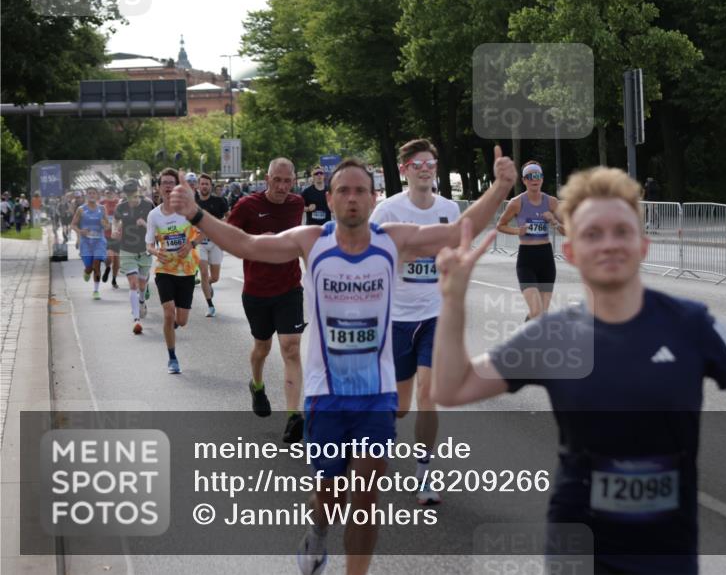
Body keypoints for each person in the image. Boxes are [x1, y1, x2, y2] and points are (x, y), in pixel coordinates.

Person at [431, 166, 726, 574]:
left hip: (668, 549)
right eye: (593, 234)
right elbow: (452, 389)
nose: (609, 245)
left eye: (622, 231)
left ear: (643, 245)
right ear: (571, 252)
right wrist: (453, 300)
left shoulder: (691, 324)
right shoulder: (553, 336)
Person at [168, 147, 516, 575]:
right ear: (329, 200)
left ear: (373, 200)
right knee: (330, 497)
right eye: (343, 191)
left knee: (367, 499)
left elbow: (461, 229)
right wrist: (196, 214)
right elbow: (247, 245)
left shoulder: (394, 240)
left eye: (360, 191)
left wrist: (501, 186)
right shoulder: (311, 242)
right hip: (325, 396)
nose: (352, 198)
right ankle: (318, 530)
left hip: (376, 396)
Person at [370, 139, 459, 506]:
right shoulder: (387, 210)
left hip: (435, 313)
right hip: (397, 318)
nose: (425, 168)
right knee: (402, 405)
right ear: (405, 169)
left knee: (429, 394)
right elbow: (367, 252)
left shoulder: (450, 209)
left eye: (431, 162)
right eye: (418, 163)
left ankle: (425, 477)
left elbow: (456, 253)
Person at [227, 158, 307, 443]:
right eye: (277, 180)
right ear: (267, 179)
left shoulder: (297, 204)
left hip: (289, 287)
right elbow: (230, 239)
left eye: (288, 181)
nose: (283, 187)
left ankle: (293, 416)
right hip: (257, 290)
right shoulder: (247, 205)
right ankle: (257, 385)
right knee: (262, 347)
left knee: (291, 347)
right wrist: (259, 239)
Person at [145, 168, 200, 374]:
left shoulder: (188, 209)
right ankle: (172, 357)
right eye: (164, 183)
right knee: (168, 314)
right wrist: (155, 252)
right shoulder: (154, 215)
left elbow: (202, 232)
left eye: (171, 182)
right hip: (164, 269)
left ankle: (172, 328)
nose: (168, 186)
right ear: (158, 188)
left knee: (181, 320)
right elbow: (149, 244)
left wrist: (191, 244)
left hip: (186, 270)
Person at [496, 161, 565, 320]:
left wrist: (554, 222)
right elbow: (500, 225)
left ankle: (529, 340)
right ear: (524, 180)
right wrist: (517, 231)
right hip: (526, 259)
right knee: (536, 310)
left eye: (538, 175)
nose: (535, 179)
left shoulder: (552, 202)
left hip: (546, 258)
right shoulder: (516, 203)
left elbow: (568, 230)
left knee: (542, 315)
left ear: (541, 179)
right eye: (530, 176)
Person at [115, 180, 154, 335]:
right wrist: (115, 229)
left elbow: (156, 226)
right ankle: (136, 319)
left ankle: (142, 301)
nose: (133, 197)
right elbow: (115, 220)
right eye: (129, 194)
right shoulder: (121, 207)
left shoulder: (148, 205)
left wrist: (144, 224)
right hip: (127, 250)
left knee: (142, 285)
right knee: (133, 284)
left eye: (135, 193)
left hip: (145, 249)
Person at [195, 173, 230, 317]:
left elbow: (229, 217)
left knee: (214, 277)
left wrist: (217, 225)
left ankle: (208, 284)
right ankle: (210, 306)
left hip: (216, 242)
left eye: (207, 184)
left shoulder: (220, 201)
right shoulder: (193, 203)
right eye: (202, 184)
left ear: (211, 186)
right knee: (203, 273)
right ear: (198, 186)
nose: (204, 186)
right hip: (199, 242)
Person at [70, 187, 110, 299]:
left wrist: (105, 224)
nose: (92, 195)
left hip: (99, 241)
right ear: (86, 196)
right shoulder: (81, 209)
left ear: (97, 195)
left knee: (96, 264)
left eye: (94, 193)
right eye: (89, 193)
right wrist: (80, 231)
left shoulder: (102, 209)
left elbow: (108, 226)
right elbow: (72, 225)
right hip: (86, 242)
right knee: (89, 267)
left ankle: (96, 291)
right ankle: (87, 272)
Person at [100, 187, 121, 288]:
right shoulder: (102, 206)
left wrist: (118, 227)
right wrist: (105, 224)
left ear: (115, 194)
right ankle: (107, 267)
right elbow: (100, 219)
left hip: (118, 236)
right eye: (107, 193)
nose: (109, 195)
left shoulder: (120, 205)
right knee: (109, 257)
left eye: (111, 193)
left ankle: (114, 280)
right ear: (105, 195)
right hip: (106, 236)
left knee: (117, 261)